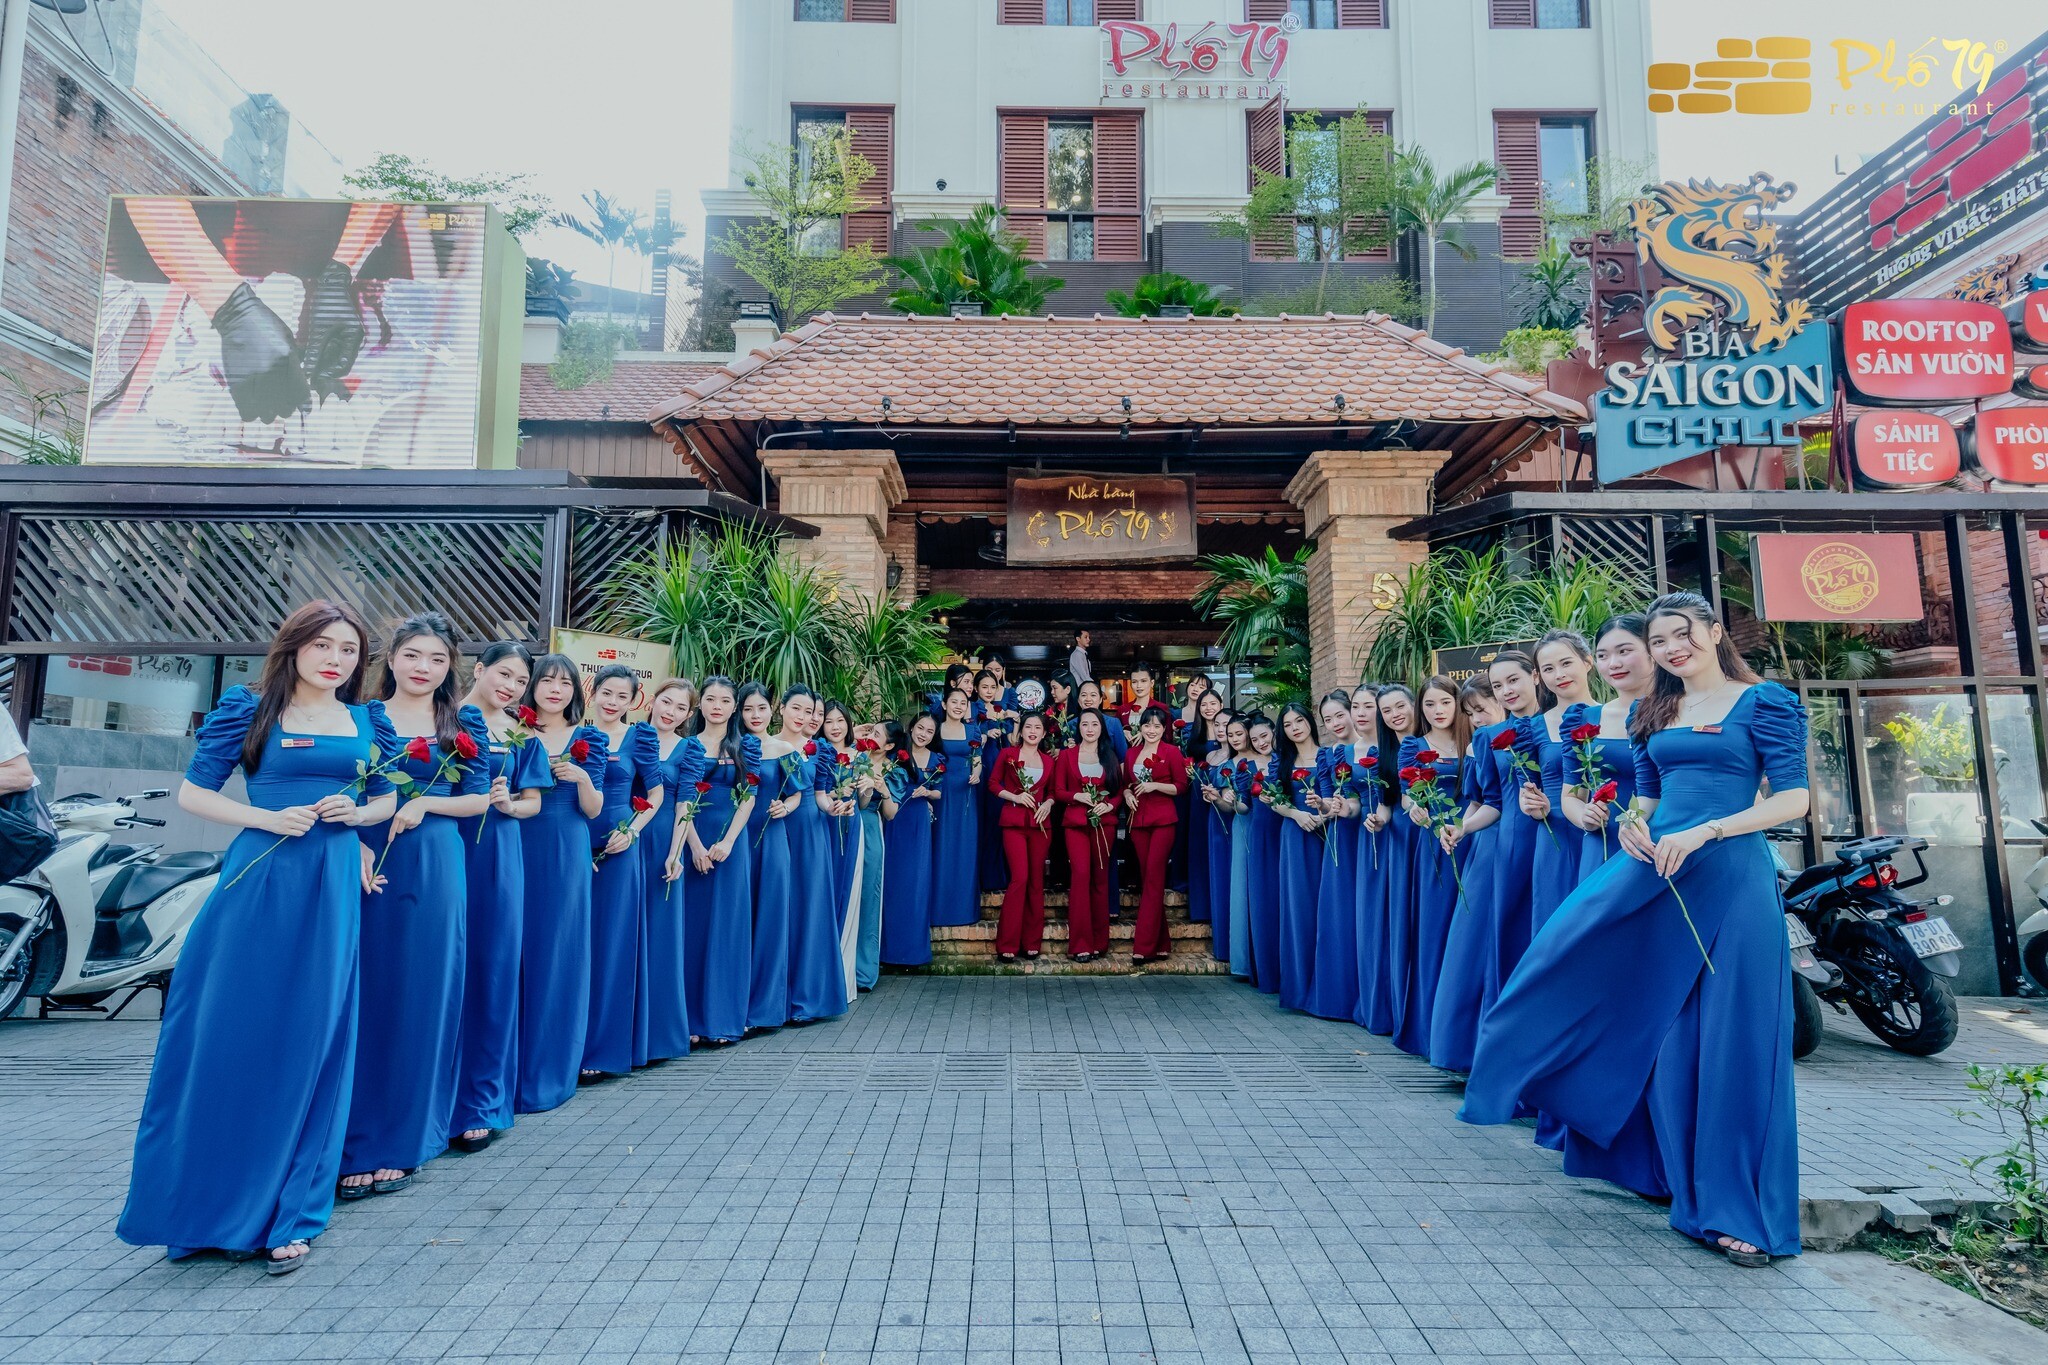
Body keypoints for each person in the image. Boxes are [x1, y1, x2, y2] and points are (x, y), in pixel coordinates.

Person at [1464, 593, 1809, 1267]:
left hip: (1732, 876)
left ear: (1715, 632)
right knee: (1583, 973)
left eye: (1683, 634)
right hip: (1655, 870)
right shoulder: (1658, 711)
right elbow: (1648, 799)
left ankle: (1739, 1209)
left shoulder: (1763, 701)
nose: (1673, 648)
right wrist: (1631, 824)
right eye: (1660, 640)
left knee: (1734, 1039)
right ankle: (1654, 1164)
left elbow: (1793, 798)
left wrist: (1709, 830)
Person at [118, 600, 396, 1273]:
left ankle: (291, 1211)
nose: (335, 659)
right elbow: (193, 793)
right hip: (257, 879)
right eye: (323, 645)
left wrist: (358, 812)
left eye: (349, 650)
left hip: (330, 886)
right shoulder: (249, 707)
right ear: (293, 646)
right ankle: (201, 1207)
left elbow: (391, 798)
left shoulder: (369, 720)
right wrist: (265, 817)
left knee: (314, 1037)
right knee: (226, 1032)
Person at [340, 613, 489, 1202]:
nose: (423, 668)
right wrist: (355, 839)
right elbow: (343, 787)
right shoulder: (361, 716)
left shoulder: (462, 722)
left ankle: (403, 1140)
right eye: (412, 656)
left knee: (421, 994)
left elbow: (478, 798)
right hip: (365, 857)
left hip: (433, 861)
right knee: (365, 993)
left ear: (451, 667)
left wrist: (428, 805)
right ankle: (352, 1138)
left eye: (436, 659)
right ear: (392, 658)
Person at [1553, 613, 1669, 1201]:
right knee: (1598, 989)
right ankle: (1599, 1131)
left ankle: (1661, 1140)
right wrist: (1583, 814)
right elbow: (1569, 794)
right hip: (1598, 854)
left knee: (1651, 993)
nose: (1615, 663)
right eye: (1605, 655)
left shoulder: (1678, 711)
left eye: (1627, 650)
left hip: (1660, 855)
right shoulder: (1587, 720)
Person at [450, 643, 549, 1154]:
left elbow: (534, 804)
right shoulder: (442, 718)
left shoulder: (522, 735)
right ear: (479, 669)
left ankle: (482, 1102)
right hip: (443, 847)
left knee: (492, 969)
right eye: (503, 674)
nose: (510, 687)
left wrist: (509, 805)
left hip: (498, 852)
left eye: (520, 681)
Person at [517, 655, 606, 1113]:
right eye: (547, 680)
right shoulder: (512, 731)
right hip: (514, 840)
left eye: (565, 683)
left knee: (557, 950)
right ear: (532, 685)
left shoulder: (588, 738)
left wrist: (583, 777)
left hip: (566, 846)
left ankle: (551, 1065)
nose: (555, 689)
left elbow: (593, 809)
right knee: (514, 948)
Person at [581, 666, 663, 1080]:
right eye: (606, 693)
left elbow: (656, 794)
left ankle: (604, 1049)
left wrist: (631, 831)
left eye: (622, 696)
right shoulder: (575, 735)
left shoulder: (638, 738)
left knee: (612, 944)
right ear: (592, 692)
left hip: (620, 847)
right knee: (577, 945)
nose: (612, 702)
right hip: (576, 844)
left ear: (634, 701)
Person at [665, 678, 756, 1046]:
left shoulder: (745, 745)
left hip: (732, 843)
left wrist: (729, 841)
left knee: (728, 929)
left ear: (734, 707)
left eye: (725, 700)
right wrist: (695, 846)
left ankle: (723, 1019)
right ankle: (689, 1020)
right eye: (710, 699)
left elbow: (748, 796)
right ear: (699, 705)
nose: (717, 706)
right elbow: (681, 798)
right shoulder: (686, 745)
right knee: (693, 928)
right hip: (691, 838)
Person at [1426, 679, 1510, 1073]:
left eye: (1481, 708)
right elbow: (1482, 800)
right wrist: (1460, 827)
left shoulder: (1531, 730)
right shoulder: (1481, 742)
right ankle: (1463, 1047)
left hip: (1527, 836)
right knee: (1472, 939)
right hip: (1489, 842)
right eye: (1471, 712)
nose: (1477, 718)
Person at [1392, 677, 1469, 1060]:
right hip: (1435, 843)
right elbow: (1407, 796)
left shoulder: (1474, 741)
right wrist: (1416, 809)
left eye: (1444, 702)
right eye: (1429, 705)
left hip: (1473, 838)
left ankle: (1462, 1027)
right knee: (1435, 929)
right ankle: (1430, 1029)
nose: (1438, 711)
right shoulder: (1413, 746)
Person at [781, 688, 848, 1024]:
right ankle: (775, 996)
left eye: (809, 712)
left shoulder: (818, 750)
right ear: (781, 708)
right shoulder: (764, 745)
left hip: (810, 832)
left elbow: (820, 795)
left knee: (809, 911)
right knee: (777, 910)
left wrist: (833, 807)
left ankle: (806, 998)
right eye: (797, 709)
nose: (804, 717)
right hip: (774, 829)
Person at [640, 680, 698, 1065]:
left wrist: (676, 852)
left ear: (688, 715)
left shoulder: (688, 749)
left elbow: (685, 804)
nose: (670, 712)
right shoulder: (633, 737)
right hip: (627, 839)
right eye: (666, 702)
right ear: (652, 700)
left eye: (680, 708)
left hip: (664, 844)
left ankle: (659, 1035)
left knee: (661, 935)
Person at [747, 686, 808, 1030]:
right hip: (736, 839)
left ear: (773, 710)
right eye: (748, 709)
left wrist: (786, 806)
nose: (755, 715)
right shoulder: (732, 747)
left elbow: (798, 792)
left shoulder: (784, 749)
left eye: (761, 708)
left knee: (771, 919)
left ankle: (766, 1008)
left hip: (771, 838)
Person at [1360, 686, 1420, 1034]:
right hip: (1400, 835)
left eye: (1400, 706)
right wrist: (1377, 820)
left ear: (1414, 706)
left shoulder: (1428, 743)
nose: (1395, 714)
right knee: (1401, 916)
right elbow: (1385, 805)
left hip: (1431, 829)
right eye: (1387, 710)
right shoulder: (1384, 753)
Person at [1304, 691, 1361, 1022]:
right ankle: (1338, 995)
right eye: (1328, 719)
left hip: (1371, 832)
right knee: (1339, 913)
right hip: (1341, 836)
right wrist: (1322, 805)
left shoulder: (1374, 748)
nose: (1335, 723)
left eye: (1340, 714)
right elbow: (1327, 801)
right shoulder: (1328, 755)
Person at [1051, 709, 1121, 962]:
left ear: (1101, 728)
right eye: (1084, 724)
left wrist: (1109, 805)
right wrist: (1076, 796)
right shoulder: (1067, 756)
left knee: (1101, 880)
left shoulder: (1109, 755)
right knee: (1080, 877)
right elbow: (1058, 790)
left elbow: (1119, 791)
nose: (1089, 729)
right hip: (1075, 824)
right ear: (1078, 728)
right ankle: (1080, 944)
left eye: (1094, 724)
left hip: (1104, 824)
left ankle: (1100, 943)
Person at [1123, 706, 1189, 966]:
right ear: (1140, 727)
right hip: (1138, 821)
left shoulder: (1171, 752)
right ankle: (1161, 943)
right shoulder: (1131, 753)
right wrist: (1127, 794)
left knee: (1154, 878)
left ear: (1164, 729)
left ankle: (1144, 946)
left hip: (1163, 821)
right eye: (1147, 725)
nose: (1151, 730)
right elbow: (1126, 783)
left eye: (1157, 726)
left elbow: (1181, 786)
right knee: (1148, 879)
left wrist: (1155, 785)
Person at [990, 712, 1057, 963]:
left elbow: (1053, 792)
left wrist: (1048, 803)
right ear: (1021, 731)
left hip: (1041, 825)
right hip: (1014, 822)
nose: (1032, 731)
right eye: (1028, 726)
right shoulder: (1008, 754)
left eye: (1037, 727)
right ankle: (1007, 943)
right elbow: (993, 784)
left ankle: (1031, 942)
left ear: (1044, 733)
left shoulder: (1049, 761)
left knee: (1036, 881)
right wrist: (1015, 797)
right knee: (1020, 878)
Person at [879, 713, 941, 967]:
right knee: (892, 880)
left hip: (917, 821)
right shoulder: (895, 754)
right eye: (920, 728)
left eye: (929, 731)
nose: (923, 734)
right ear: (911, 728)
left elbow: (939, 793)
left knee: (916, 882)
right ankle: (888, 952)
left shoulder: (937, 759)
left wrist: (927, 793)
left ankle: (913, 952)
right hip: (894, 817)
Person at [816, 700, 866, 1002]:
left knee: (848, 894)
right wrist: (836, 793)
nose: (835, 727)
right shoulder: (815, 752)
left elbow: (863, 802)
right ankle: (819, 975)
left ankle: (843, 981)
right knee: (824, 894)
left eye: (840, 721)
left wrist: (867, 786)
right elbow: (813, 793)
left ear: (848, 723)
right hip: (822, 825)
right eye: (829, 721)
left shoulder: (860, 755)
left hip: (851, 825)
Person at [1235, 714, 1284, 993]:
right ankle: (1267, 970)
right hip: (1261, 834)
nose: (1261, 742)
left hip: (1287, 830)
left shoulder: (1285, 761)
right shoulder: (1247, 767)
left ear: (1274, 732)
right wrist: (1231, 799)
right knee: (1263, 898)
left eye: (1264, 736)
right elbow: (1244, 807)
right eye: (1255, 739)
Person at [930, 688, 984, 928]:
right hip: (940, 792)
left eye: (963, 703)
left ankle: (963, 909)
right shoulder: (935, 729)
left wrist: (977, 773)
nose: (959, 706)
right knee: (941, 845)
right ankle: (938, 910)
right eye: (954, 702)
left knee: (964, 846)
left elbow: (977, 759)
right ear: (944, 704)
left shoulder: (973, 730)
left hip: (965, 793)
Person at [850, 719, 893, 990]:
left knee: (868, 896)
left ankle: (863, 969)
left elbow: (891, 813)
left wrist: (884, 791)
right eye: (871, 730)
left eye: (877, 734)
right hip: (842, 824)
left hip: (869, 828)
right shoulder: (854, 756)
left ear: (889, 745)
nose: (870, 736)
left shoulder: (892, 768)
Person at [1218, 714, 1257, 976]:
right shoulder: (1227, 766)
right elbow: (1227, 806)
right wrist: (1219, 797)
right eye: (1230, 735)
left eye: (1238, 733)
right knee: (1242, 887)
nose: (1234, 738)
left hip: (1271, 823)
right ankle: (1244, 959)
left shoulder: (1272, 758)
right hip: (1243, 824)